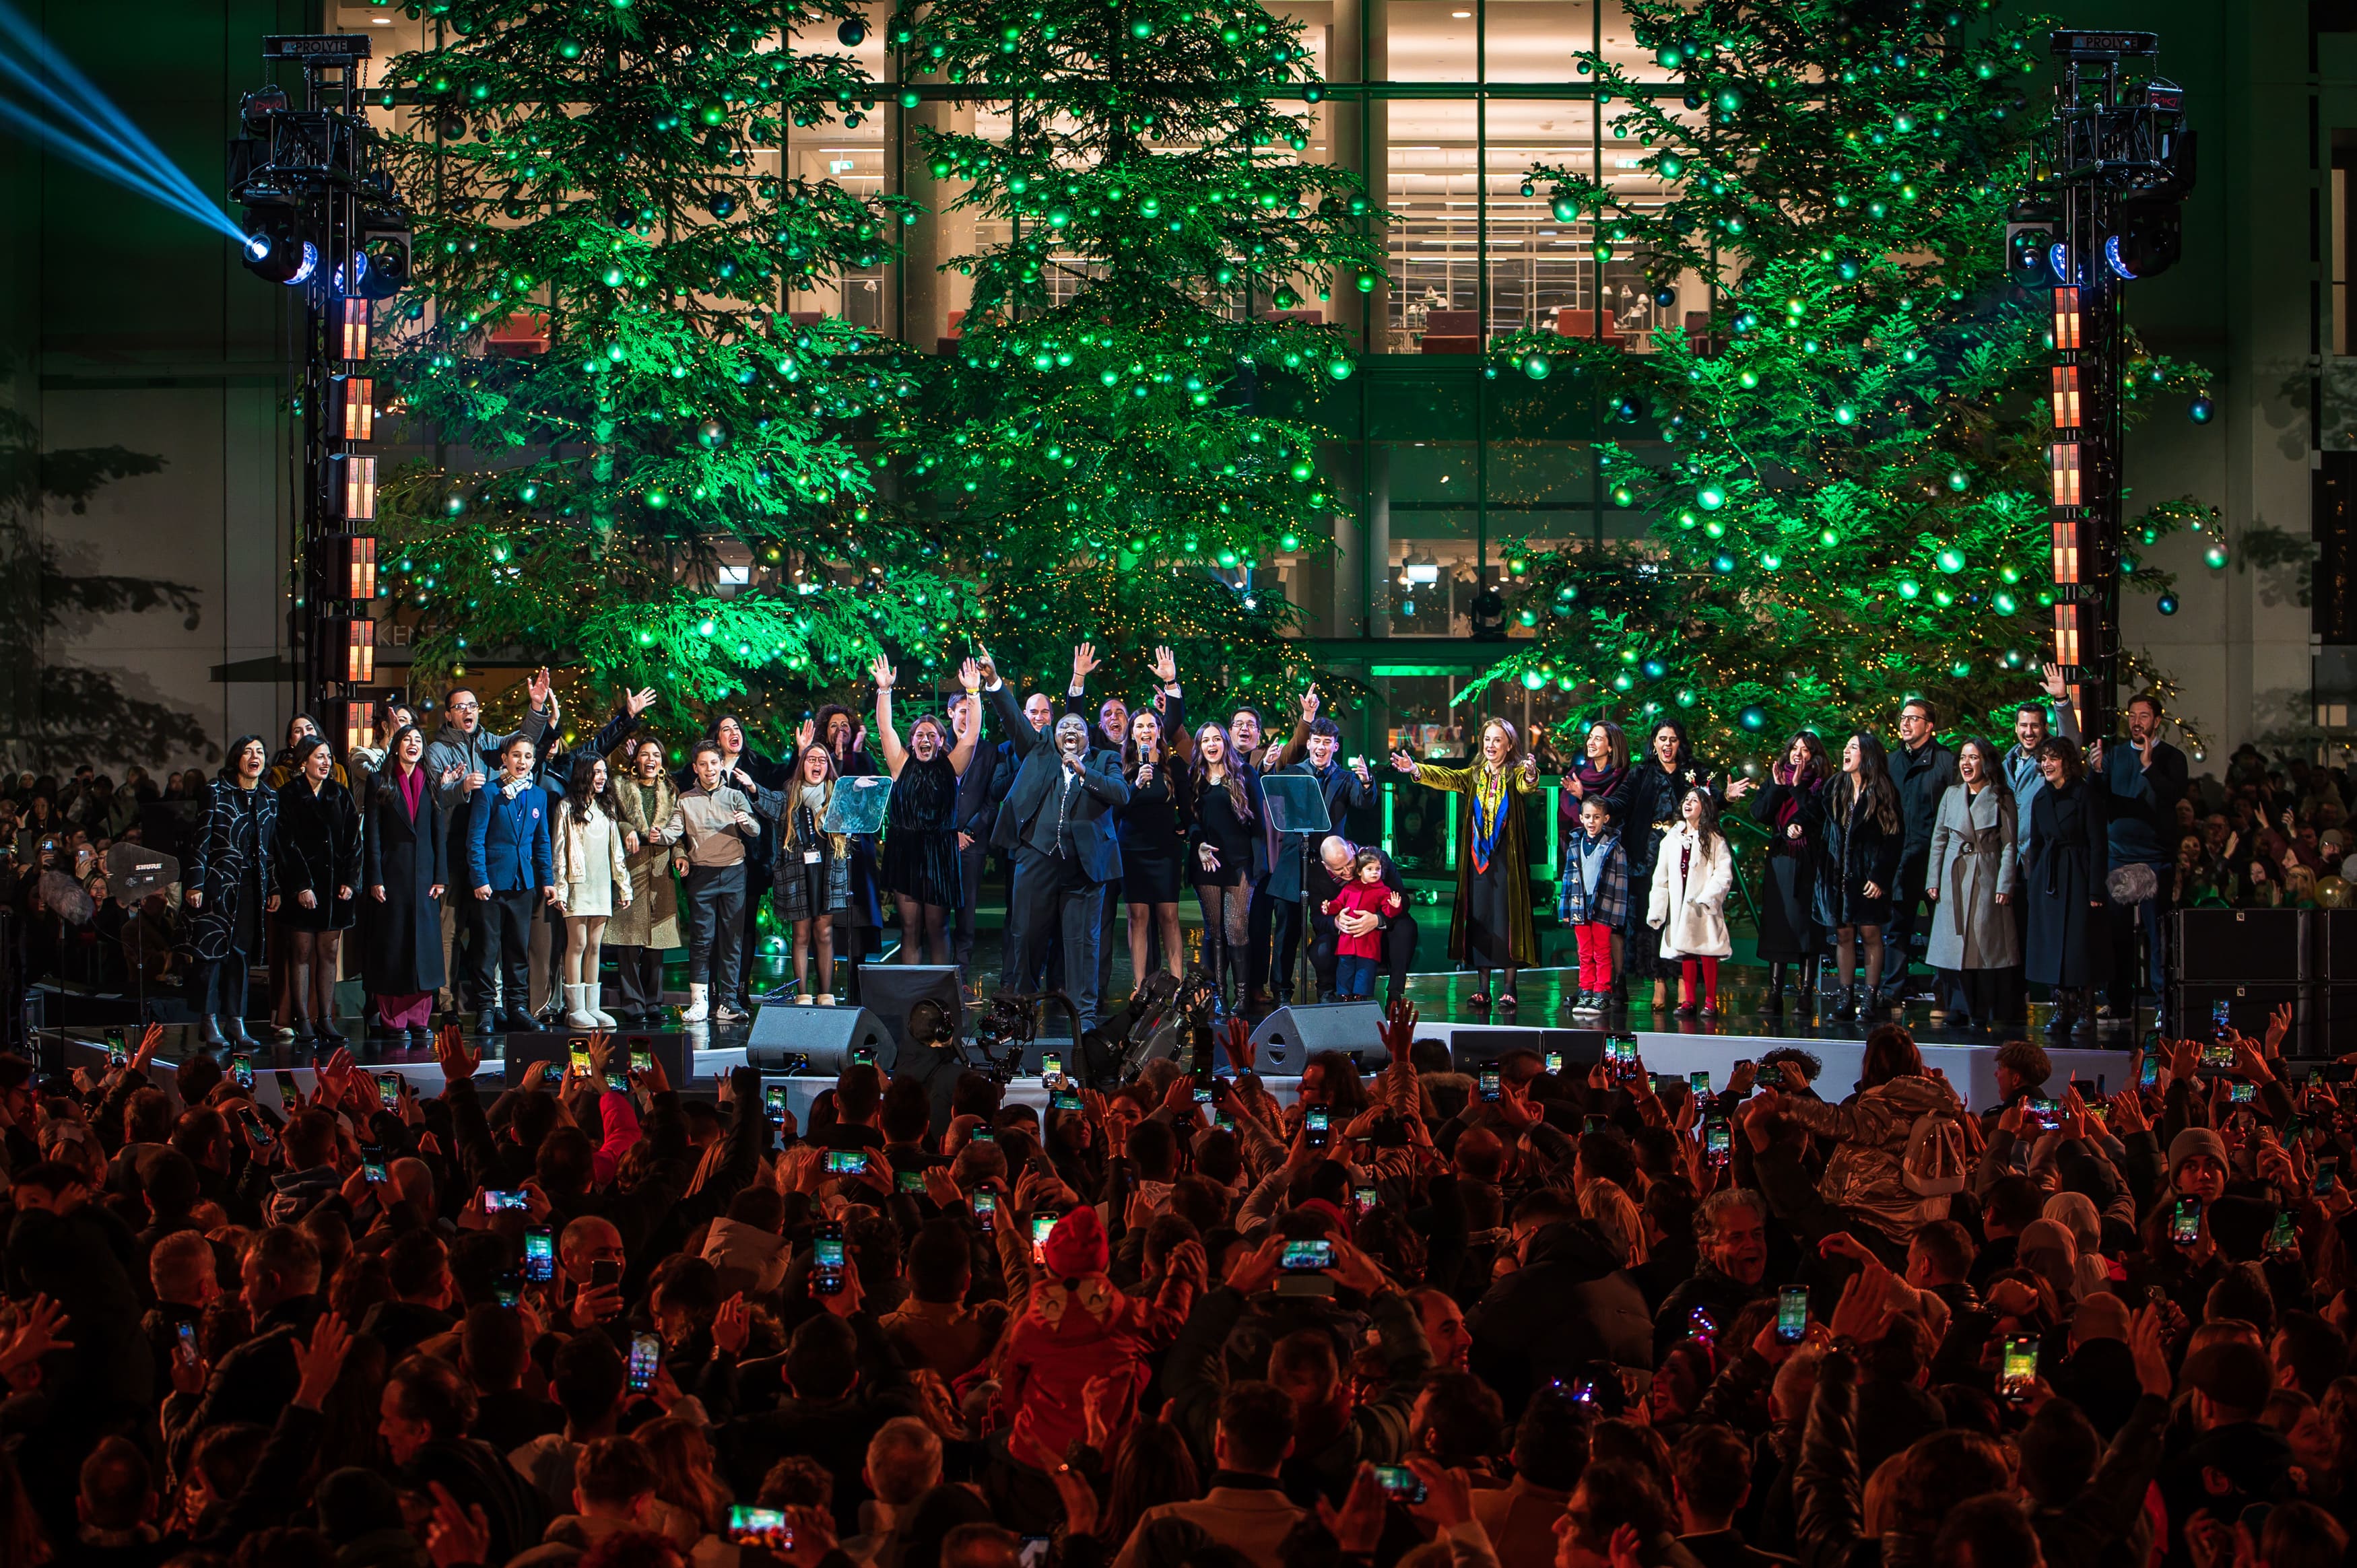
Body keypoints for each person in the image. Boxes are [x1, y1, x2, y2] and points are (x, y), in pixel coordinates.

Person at [981, 642, 1129, 1032]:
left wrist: (1083, 771)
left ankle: (1085, 1018)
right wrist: (995, 682)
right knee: (1026, 934)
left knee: (1082, 945)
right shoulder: (1040, 749)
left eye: (1076, 727)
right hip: (1038, 856)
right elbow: (1013, 719)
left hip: (1085, 867)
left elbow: (1121, 794)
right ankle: (1021, 1010)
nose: (1068, 730)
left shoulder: (1103, 760)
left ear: (1087, 737)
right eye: (1062, 726)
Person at [426, 671, 554, 1017]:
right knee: (451, 931)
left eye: (473, 705)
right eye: (460, 707)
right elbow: (433, 798)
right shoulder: (437, 750)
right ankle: (447, 1005)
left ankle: (497, 1006)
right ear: (449, 714)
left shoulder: (488, 742)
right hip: (454, 850)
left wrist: (537, 707)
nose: (468, 711)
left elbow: (523, 744)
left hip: (492, 853)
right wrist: (462, 788)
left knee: (492, 937)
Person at [1391, 715, 1538, 1010]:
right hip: (1477, 859)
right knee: (1480, 918)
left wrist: (1532, 773)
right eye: (1487, 740)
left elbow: (1527, 785)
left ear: (1510, 745)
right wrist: (1416, 769)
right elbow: (1446, 777)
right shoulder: (1474, 774)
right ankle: (1483, 988)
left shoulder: (1515, 772)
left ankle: (1510, 987)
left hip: (1506, 860)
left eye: (1498, 740)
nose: (1491, 745)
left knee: (1507, 920)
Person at [873, 657, 983, 969]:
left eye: (931, 735)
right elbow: (884, 729)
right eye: (920, 735)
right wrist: (884, 691)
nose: (925, 739)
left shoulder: (952, 767)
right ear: (912, 741)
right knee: (910, 930)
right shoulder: (900, 764)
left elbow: (972, 735)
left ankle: (940, 996)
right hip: (906, 851)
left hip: (939, 853)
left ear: (941, 741)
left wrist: (973, 693)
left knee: (937, 928)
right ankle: (911, 994)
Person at [1267, 690, 1372, 1003]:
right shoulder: (1294, 772)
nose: (1321, 747)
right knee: (1286, 932)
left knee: (1328, 929)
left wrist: (1367, 782)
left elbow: (1363, 802)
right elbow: (1274, 796)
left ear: (1335, 747)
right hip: (1293, 863)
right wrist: (1273, 765)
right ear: (1309, 743)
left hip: (1328, 869)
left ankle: (1328, 989)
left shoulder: (1345, 778)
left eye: (1328, 742)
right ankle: (1282, 992)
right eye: (1317, 741)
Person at [2094, 691, 2189, 1031]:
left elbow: (2172, 795)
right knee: (2117, 935)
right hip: (2119, 856)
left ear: (2157, 720)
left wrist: (2148, 767)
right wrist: (2096, 773)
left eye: (2144, 716)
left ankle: (2166, 1006)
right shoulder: (2116, 754)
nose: (2136, 722)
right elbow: (2102, 798)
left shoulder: (2171, 757)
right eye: (2132, 715)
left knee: (2157, 936)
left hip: (2154, 860)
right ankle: (2118, 1002)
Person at [1729, 730, 1831, 1019]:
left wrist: (1798, 789)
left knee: (1806, 928)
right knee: (1779, 926)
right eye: (1795, 748)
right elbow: (1760, 813)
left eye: (1806, 749)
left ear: (1815, 754)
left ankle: (1805, 995)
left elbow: (1815, 814)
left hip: (1809, 860)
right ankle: (1774, 993)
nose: (1799, 753)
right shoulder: (1777, 777)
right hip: (1780, 859)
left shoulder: (1822, 783)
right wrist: (1776, 787)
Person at [185, 735, 277, 1050]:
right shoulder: (216, 791)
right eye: (249, 751)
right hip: (217, 882)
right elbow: (201, 839)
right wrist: (195, 883)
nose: (256, 756)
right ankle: (208, 1020)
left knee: (241, 955)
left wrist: (274, 887)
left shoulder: (268, 796)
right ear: (236, 757)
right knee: (210, 955)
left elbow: (271, 849)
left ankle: (236, 1020)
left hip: (252, 884)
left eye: (261, 751)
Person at [272, 736, 362, 1046]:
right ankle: (301, 1018)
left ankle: (325, 1018)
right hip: (304, 890)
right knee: (301, 952)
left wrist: (350, 882)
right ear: (303, 761)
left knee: (329, 952)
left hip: (336, 890)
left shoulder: (340, 794)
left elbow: (354, 842)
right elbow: (285, 844)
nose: (325, 763)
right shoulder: (288, 795)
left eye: (328, 757)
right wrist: (301, 885)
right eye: (319, 757)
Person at [1925, 737, 2020, 1030]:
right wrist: (1933, 878)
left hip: (1986, 873)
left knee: (1982, 947)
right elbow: (1939, 838)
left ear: (1986, 762)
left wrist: (2005, 884)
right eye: (1964, 758)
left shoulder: (2001, 797)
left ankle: (1981, 1010)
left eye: (1974, 757)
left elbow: (2009, 844)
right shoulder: (1952, 794)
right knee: (1952, 946)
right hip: (1954, 874)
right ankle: (1958, 1006)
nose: (1967, 763)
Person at [1622, 720, 1718, 1014]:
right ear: (1654, 743)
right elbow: (1622, 800)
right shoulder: (1641, 772)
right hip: (1648, 853)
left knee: (1683, 917)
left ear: (1680, 744)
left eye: (1673, 740)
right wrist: (1593, 802)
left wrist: (1726, 796)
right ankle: (1658, 979)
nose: (1667, 745)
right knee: (1654, 919)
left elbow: (1713, 800)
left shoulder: (1695, 772)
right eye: (1662, 739)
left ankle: (1682, 983)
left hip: (1686, 852)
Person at [467, 732, 558, 1036]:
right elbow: (476, 840)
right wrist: (479, 879)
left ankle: (517, 1007)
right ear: (504, 759)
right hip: (491, 884)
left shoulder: (538, 795)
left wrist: (547, 880)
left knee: (518, 949)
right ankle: (486, 1009)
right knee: (486, 949)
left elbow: (542, 841)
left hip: (523, 883)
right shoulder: (489, 793)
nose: (522, 762)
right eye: (516, 755)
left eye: (528, 756)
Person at [1810, 731, 1904, 1023]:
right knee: (1843, 934)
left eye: (1854, 748)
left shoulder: (1883, 790)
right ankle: (1845, 997)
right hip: (1839, 878)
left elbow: (1894, 838)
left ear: (1867, 755)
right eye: (1846, 747)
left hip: (1868, 878)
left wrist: (1880, 877)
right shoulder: (1835, 787)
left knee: (1871, 934)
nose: (1846, 752)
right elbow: (1814, 815)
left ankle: (1870, 999)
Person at [665, 742, 762, 1025]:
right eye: (703, 764)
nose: (709, 769)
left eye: (714, 763)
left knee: (732, 939)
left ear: (722, 765)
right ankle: (699, 1001)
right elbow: (674, 831)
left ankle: (728, 1002)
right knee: (701, 939)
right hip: (702, 875)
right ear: (695, 768)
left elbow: (755, 830)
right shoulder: (684, 800)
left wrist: (745, 821)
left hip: (733, 873)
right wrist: (657, 835)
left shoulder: (734, 796)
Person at [2025, 735, 2109, 1039]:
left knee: (2078, 945)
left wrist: (2096, 889)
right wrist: (2035, 884)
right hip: (2050, 878)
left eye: (2053, 758)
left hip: (2079, 873)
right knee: (2052, 947)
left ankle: (2086, 1010)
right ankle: (2062, 1008)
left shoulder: (2084, 796)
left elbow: (2099, 844)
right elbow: (2035, 844)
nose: (2047, 764)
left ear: (2067, 763)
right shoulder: (2040, 798)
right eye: (2043, 759)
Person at [759, 742, 851, 1005]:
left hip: (828, 872)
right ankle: (803, 994)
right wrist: (752, 787)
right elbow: (767, 802)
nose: (817, 765)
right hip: (797, 874)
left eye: (823, 760)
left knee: (824, 933)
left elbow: (857, 822)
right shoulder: (790, 795)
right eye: (812, 759)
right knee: (800, 935)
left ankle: (826, 993)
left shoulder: (837, 796)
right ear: (803, 764)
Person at [1186, 722, 1265, 1013]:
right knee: (1215, 932)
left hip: (1240, 862)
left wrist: (1260, 864)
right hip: (1208, 861)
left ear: (1225, 743)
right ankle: (1219, 995)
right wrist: (1199, 844)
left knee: (1236, 930)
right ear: (1200, 746)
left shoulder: (1244, 774)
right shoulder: (1195, 776)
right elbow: (1191, 820)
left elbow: (1259, 821)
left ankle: (1242, 997)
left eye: (1216, 739)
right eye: (1205, 740)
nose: (1211, 744)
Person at [1884, 697, 1959, 1006]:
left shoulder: (1946, 762)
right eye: (1903, 718)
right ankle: (1891, 992)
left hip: (1934, 859)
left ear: (1929, 726)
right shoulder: (1891, 762)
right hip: (1900, 857)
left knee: (1942, 930)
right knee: (1896, 928)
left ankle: (1945, 992)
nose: (1905, 723)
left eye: (1913, 719)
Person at [553, 753, 633, 1030]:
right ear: (584, 774)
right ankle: (575, 1008)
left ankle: (593, 1006)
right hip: (578, 884)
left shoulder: (606, 808)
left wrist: (624, 885)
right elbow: (560, 852)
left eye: (604, 772)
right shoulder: (566, 808)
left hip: (601, 885)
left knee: (596, 946)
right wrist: (561, 890)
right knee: (577, 944)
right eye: (596, 772)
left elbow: (616, 853)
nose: (601, 777)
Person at [608, 739, 682, 1025]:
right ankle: (633, 1004)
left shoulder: (672, 791)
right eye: (644, 754)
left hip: (660, 871)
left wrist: (681, 855)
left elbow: (679, 831)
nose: (650, 759)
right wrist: (628, 828)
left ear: (662, 761)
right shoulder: (620, 786)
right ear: (635, 760)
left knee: (656, 945)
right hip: (630, 868)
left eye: (656, 755)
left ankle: (653, 1003)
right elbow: (611, 820)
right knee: (627, 943)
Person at [1648, 786, 1734, 1019]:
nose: (1688, 804)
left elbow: (1723, 872)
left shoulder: (1714, 838)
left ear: (1704, 807)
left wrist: (1709, 897)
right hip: (1680, 907)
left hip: (1703, 907)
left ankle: (1710, 1001)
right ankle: (1689, 1001)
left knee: (1707, 950)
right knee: (1685, 951)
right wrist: (1657, 909)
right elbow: (1661, 877)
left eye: (1694, 801)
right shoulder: (1672, 840)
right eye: (1686, 799)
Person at [1119, 701, 1186, 991]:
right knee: (1138, 918)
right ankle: (1140, 986)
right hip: (1133, 851)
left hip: (1166, 850)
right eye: (1139, 726)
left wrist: (1186, 828)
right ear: (1132, 733)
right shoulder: (1120, 767)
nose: (1145, 731)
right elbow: (1116, 810)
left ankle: (1178, 983)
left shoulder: (1174, 766)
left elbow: (1188, 806)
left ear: (1159, 731)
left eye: (1151, 725)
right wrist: (1135, 785)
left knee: (1169, 916)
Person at [1557, 794, 1628, 1017]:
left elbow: (1621, 885)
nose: (1591, 821)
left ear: (1605, 819)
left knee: (1602, 951)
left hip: (1603, 907)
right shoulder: (1575, 845)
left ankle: (1602, 991)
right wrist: (1565, 910)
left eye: (1596, 817)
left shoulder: (1614, 848)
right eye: (1587, 817)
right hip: (1579, 905)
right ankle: (1586, 989)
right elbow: (1567, 880)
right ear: (1580, 818)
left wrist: (1617, 915)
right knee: (1585, 951)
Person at [947, 687, 997, 982]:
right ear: (952, 713)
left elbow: (992, 802)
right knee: (938, 915)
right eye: (962, 711)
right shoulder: (940, 748)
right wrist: (950, 832)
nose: (967, 716)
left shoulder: (990, 752)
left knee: (966, 915)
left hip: (973, 843)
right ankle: (937, 976)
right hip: (941, 842)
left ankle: (961, 978)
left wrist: (967, 832)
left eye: (972, 711)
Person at [1320, 849, 1401, 1001]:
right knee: (1345, 967)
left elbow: (1387, 912)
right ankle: (1344, 994)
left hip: (1368, 940)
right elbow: (1338, 904)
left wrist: (1394, 907)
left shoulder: (1383, 890)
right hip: (1347, 939)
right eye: (1369, 869)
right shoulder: (1350, 888)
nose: (1374, 873)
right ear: (1360, 871)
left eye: (1378, 869)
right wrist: (1329, 907)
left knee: (1365, 969)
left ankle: (1360, 996)